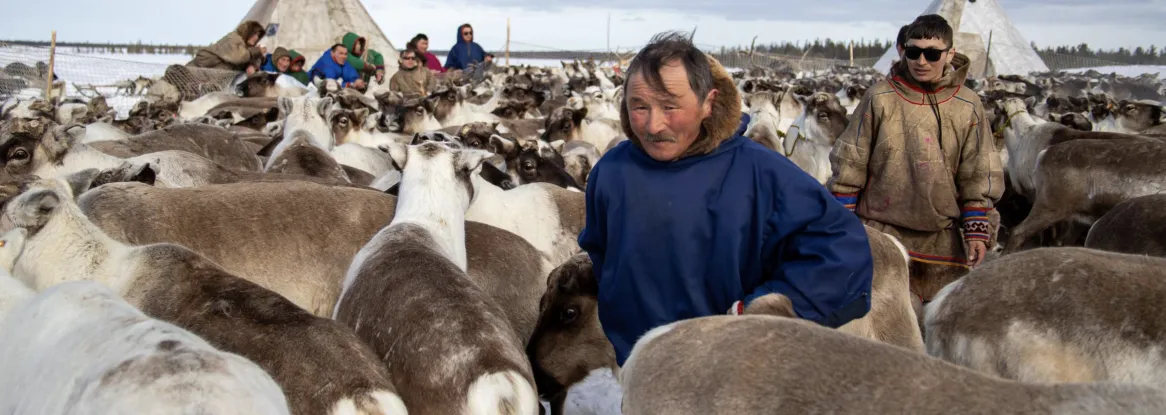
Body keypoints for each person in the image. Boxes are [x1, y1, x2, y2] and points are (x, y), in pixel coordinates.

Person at [577, 32, 874, 366]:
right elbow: (602, 255)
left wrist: (760, 315)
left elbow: (841, 252)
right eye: (639, 107)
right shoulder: (612, 172)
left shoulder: (761, 173)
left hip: (733, 369)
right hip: (641, 366)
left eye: (670, 106)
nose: (654, 125)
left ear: (708, 102)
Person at [827, 15, 1003, 311]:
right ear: (903, 50)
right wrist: (841, 226)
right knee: (883, 324)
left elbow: (978, 170)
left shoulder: (967, 104)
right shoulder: (880, 97)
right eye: (913, 52)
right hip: (881, 235)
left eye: (932, 54)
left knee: (937, 324)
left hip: (942, 242)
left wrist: (976, 230)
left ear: (950, 53)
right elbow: (850, 162)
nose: (921, 61)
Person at [188, 20, 267, 72]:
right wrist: (257, 51)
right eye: (255, 33)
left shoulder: (246, 48)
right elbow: (238, 57)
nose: (256, 37)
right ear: (248, 31)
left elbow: (250, 58)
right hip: (191, 72)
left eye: (258, 35)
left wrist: (254, 64)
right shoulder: (233, 38)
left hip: (205, 78)